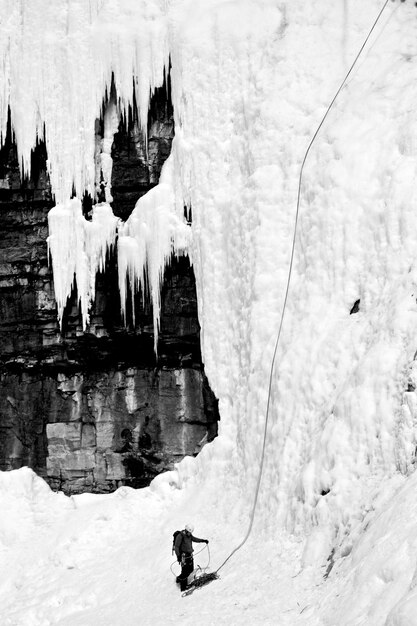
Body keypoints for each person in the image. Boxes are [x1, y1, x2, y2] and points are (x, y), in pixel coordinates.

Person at [174, 524, 209, 591]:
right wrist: (178, 556)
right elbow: (176, 547)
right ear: (186, 530)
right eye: (189, 532)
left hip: (189, 555)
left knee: (190, 569)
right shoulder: (180, 536)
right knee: (185, 571)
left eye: (190, 533)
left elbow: (194, 539)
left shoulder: (189, 535)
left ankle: (179, 578)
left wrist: (203, 540)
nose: (190, 534)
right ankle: (183, 587)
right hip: (183, 556)